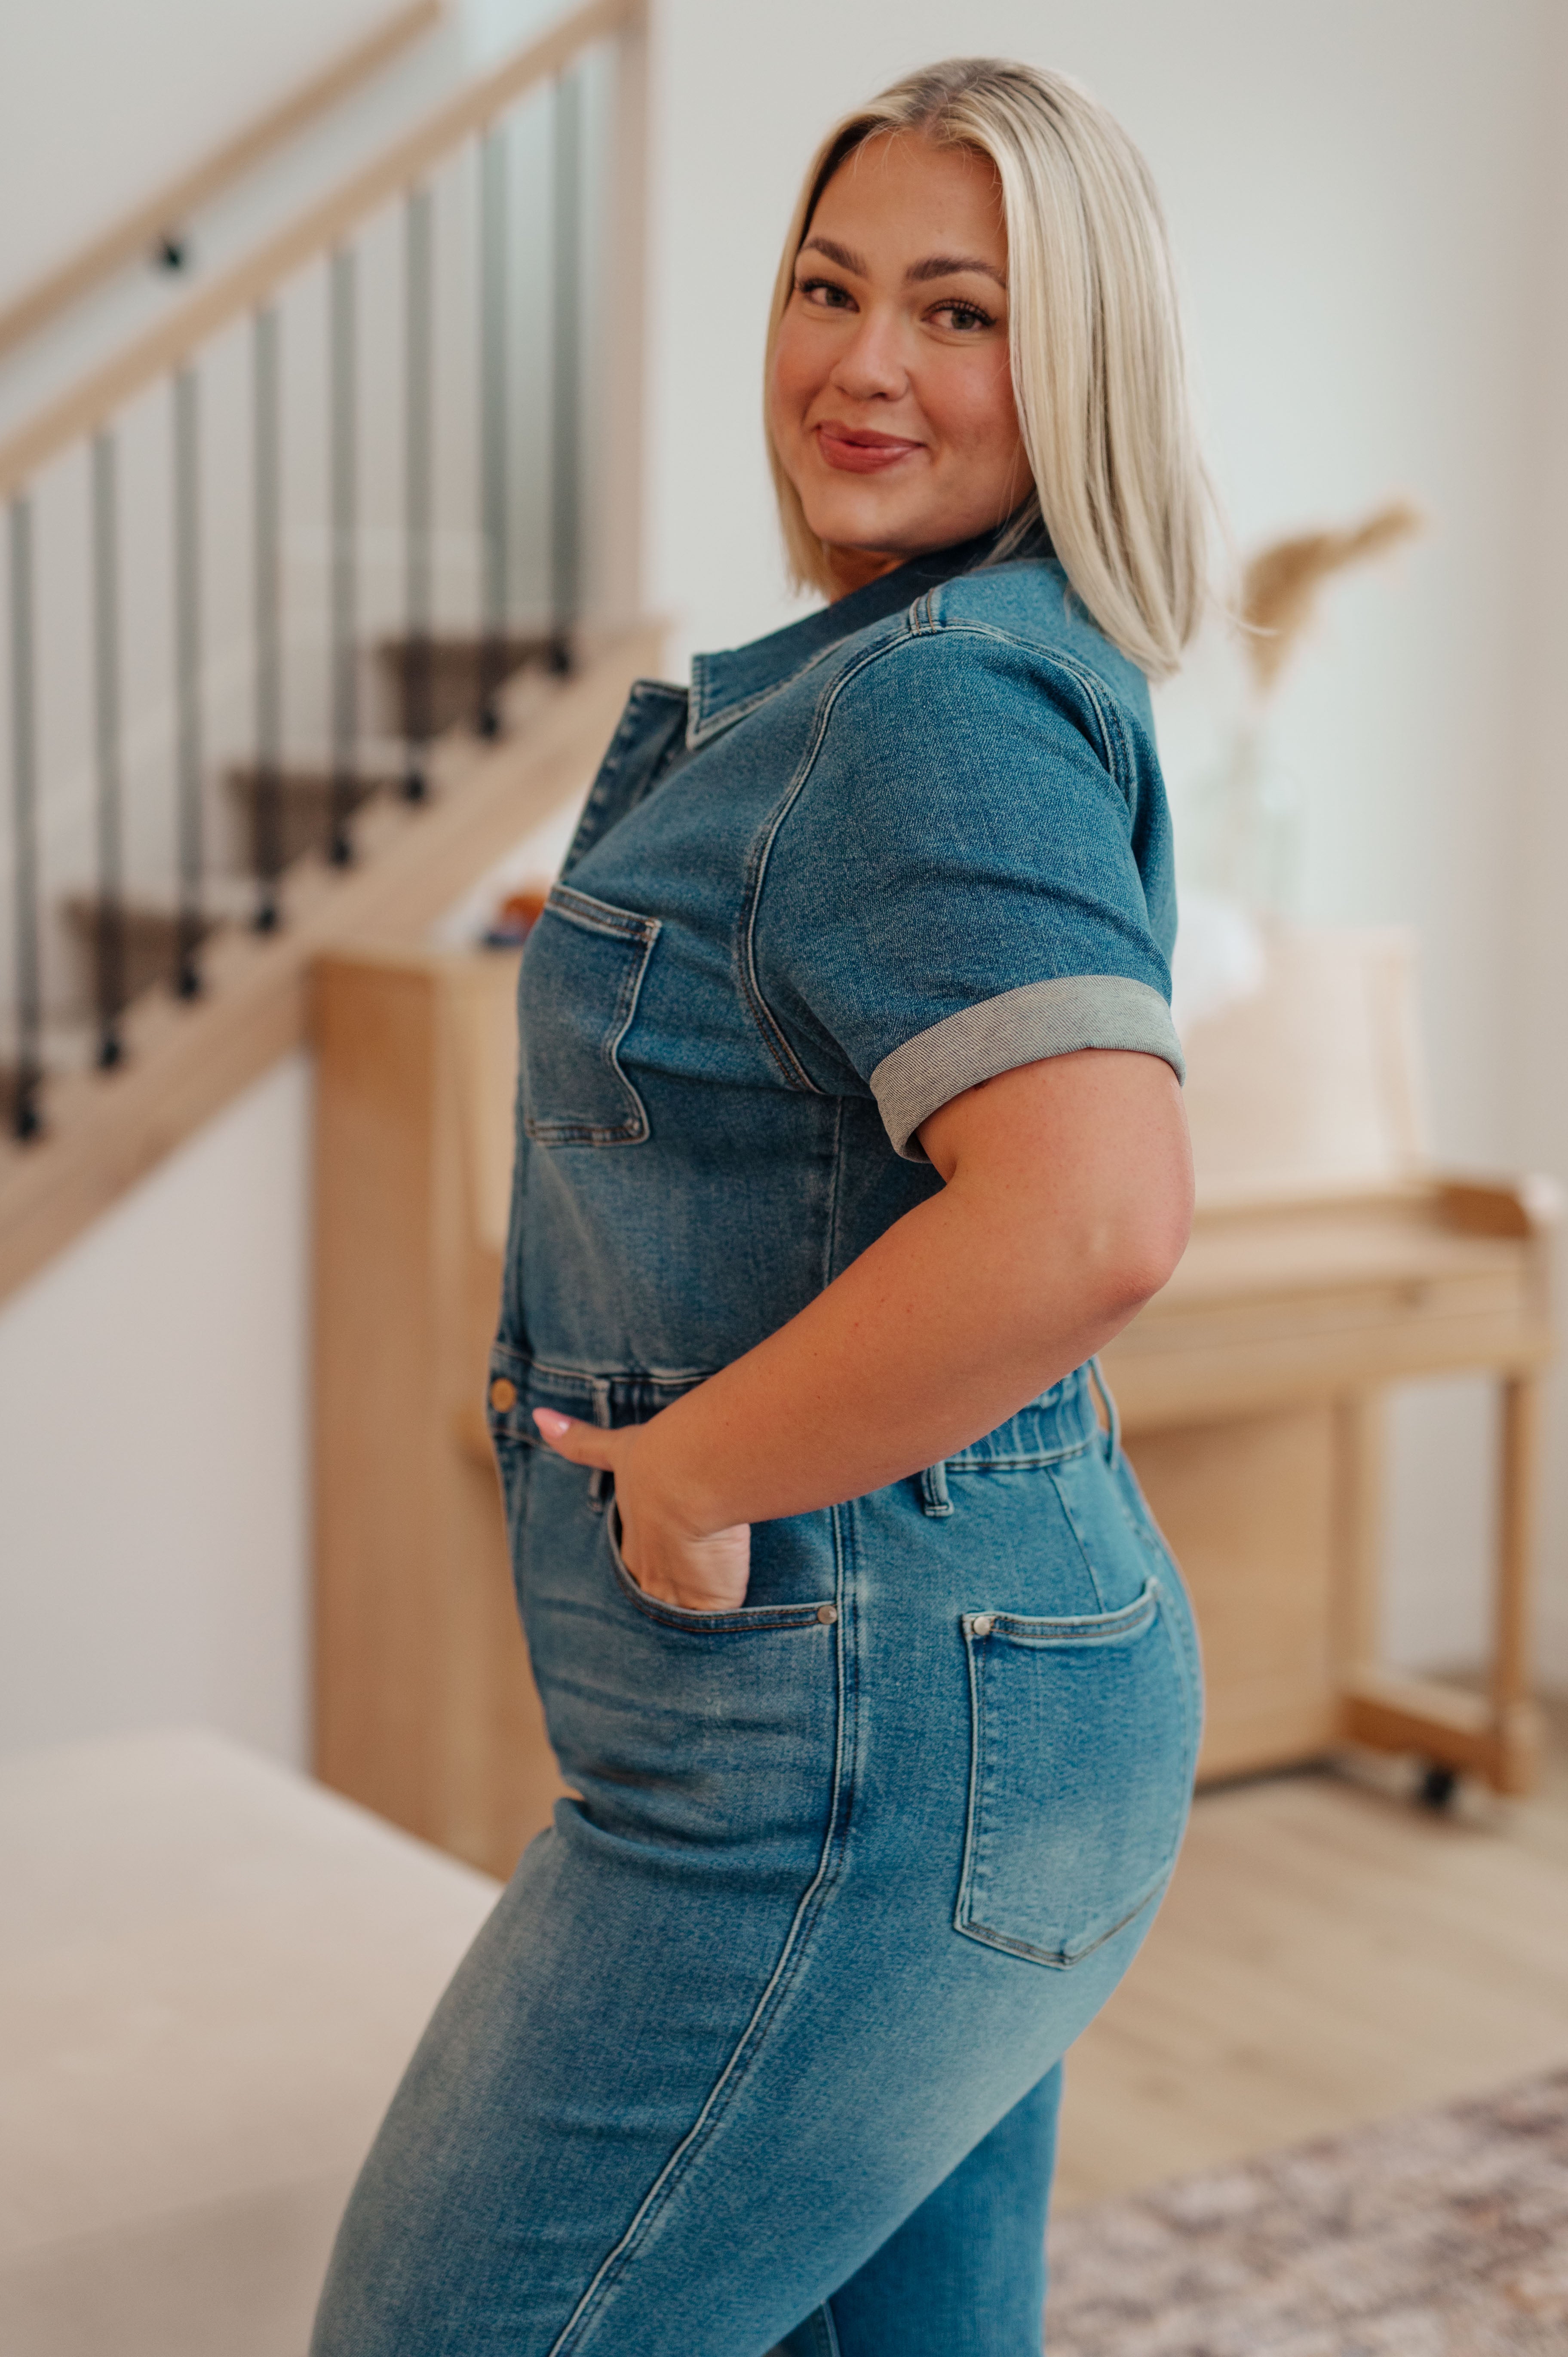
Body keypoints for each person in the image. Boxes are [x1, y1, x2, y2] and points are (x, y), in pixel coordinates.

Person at [313, 53, 1209, 2357]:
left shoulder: (932, 711)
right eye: (830, 289)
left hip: (843, 1766)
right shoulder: (935, 674)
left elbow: (1091, 1213)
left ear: (1080, 361)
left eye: (960, 312)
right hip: (951, 1722)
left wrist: (699, 1466)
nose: (864, 363)